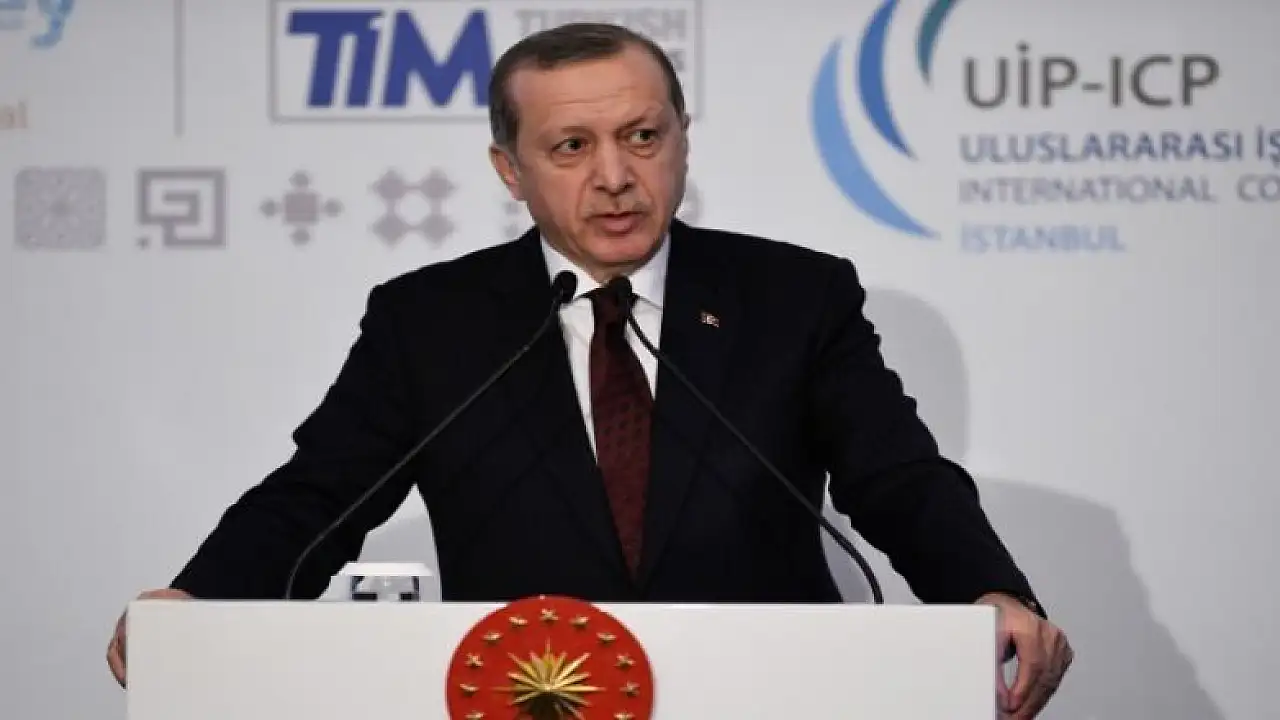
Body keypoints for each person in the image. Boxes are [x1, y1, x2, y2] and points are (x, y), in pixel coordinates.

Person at [107, 22, 1072, 717]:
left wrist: (989, 591)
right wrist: (194, 605)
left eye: (642, 137)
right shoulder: (432, 321)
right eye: (571, 147)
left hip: (767, 696)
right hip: (527, 699)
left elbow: (897, 478)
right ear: (509, 169)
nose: (615, 176)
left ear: (682, 140)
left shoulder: (794, 296)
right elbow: (319, 495)